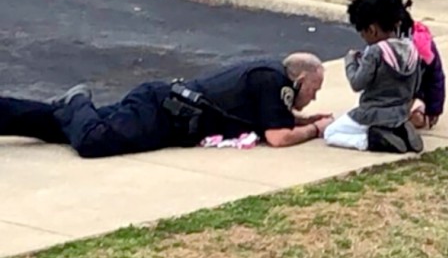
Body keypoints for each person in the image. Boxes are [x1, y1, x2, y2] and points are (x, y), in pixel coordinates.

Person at [0, 52, 333, 158]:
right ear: (300, 81)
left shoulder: (270, 75)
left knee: (60, 126)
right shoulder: (273, 81)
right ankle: (77, 99)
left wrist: (303, 119)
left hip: (166, 108)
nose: (314, 97)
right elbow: (277, 137)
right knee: (92, 141)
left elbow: (271, 120)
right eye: (314, 90)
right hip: (162, 112)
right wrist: (316, 128)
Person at [323, 0, 423, 154]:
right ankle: (399, 130)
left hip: (373, 112)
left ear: (372, 30)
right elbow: (416, 86)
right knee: (365, 118)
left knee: (331, 133)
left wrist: (350, 62)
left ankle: (371, 139)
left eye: (363, 34)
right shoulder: (411, 49)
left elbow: (357, 83)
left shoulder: (375, 52)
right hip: (401, 111)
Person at [395, 0, 447, 130]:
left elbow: (436, 78)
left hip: (417, 88)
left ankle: (417, 111)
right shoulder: (382, 46)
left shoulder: (424, 46)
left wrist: (433, 110)